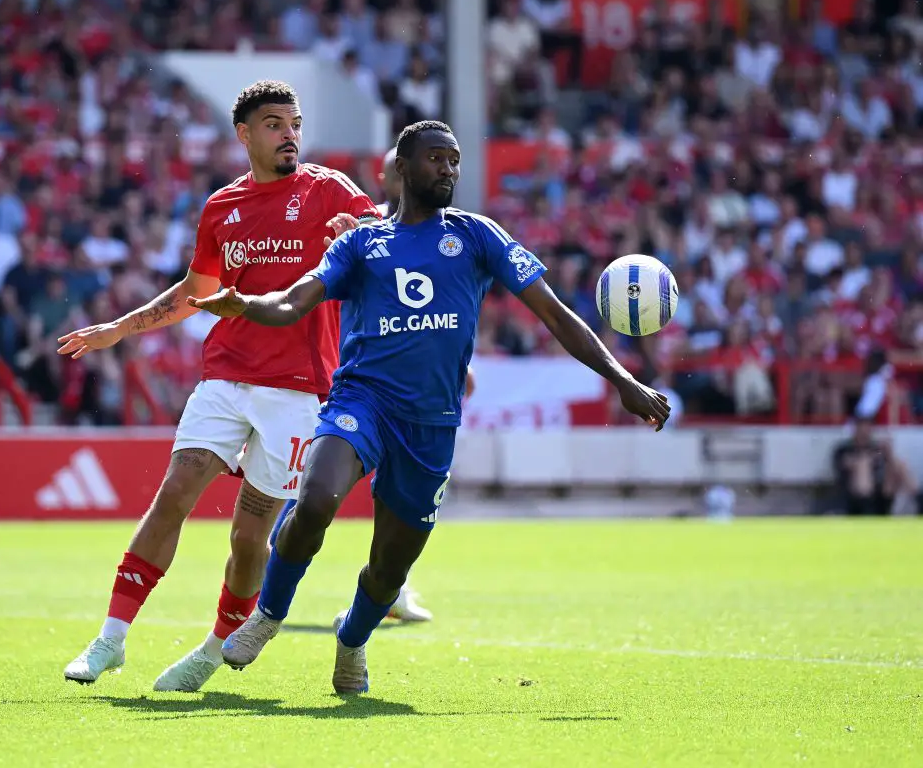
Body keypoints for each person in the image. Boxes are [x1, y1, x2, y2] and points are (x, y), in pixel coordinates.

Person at [189, 121, 671, 693]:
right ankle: (267, 616)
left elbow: (555, 314)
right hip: (362, 400)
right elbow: (295, 302)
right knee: (315, 499)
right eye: (436, 158)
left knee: (389, 568)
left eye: (455, 159)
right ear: (402, 168)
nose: (449, 169)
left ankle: (352, 639)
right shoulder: (361, 244)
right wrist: (244, 303)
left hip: (431, 424)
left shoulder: (478, 236)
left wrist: (621, 379)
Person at [56, 81, 381, 692]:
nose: (289, 134)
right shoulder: (221, 207)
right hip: (226, 377)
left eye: (294, 123)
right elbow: (195, 293)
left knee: (249, 534)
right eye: (274, 124)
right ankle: (110, 640)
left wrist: (361, 237)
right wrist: (120, 328)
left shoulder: (328, 190)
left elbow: (388, 239)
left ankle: (211, 651)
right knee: (174, 493)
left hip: (299, 391)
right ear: (244, 134)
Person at [266, 145, 444, 624]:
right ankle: (278, 552)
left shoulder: (436, 230)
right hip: (352, 377)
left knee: (398, 494)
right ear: (389, 177)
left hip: (408, 387)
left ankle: (393, 587)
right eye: (396, 173)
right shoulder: (362, 228)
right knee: (320, 479)